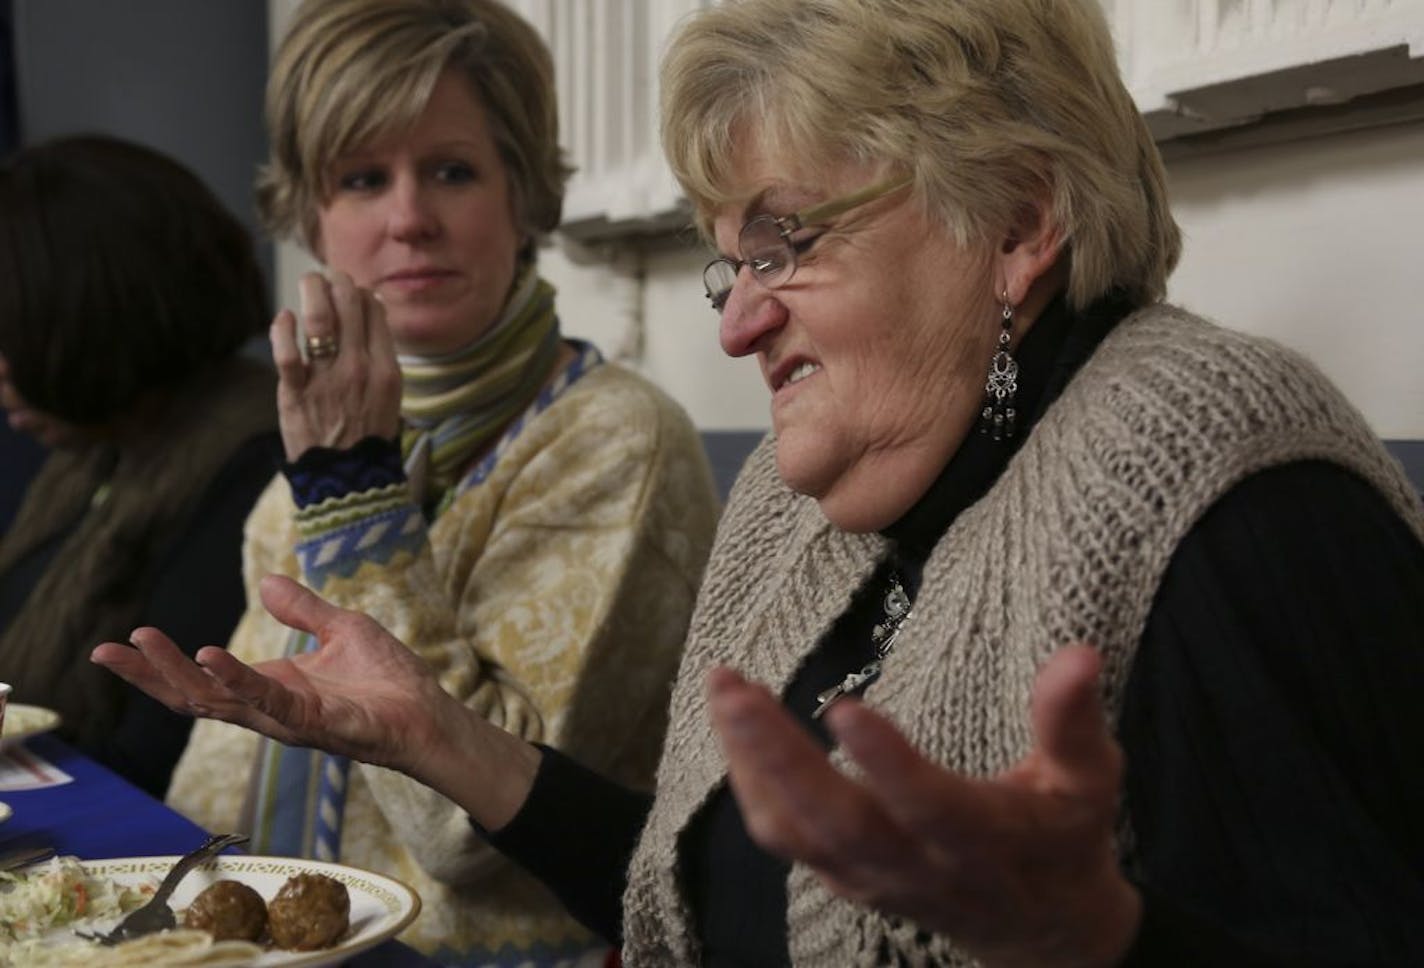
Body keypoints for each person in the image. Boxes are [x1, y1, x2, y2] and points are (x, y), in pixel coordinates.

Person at [97, 0, 1424, 965]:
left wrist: (1102, 947)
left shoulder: (1232, 497)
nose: (735, 324)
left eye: (786, 245)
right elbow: (720, 896)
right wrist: (439, 741)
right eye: (733, 264)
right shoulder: (809, 512)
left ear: (1016, 220)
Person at [158, 1, 720, 965]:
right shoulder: (336, 432)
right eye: (364, 178)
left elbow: (467, 832)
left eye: (452, 171)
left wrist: (357, 500)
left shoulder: (618, 437)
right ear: (312, 216)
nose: (410, 218)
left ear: (524, 195)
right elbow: (221, 778)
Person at [0, 134, 279, 798]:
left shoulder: (255, 461)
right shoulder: (98, 452)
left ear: (91, 313)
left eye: (9, 336)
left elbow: (151, 756)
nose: (1, 372)